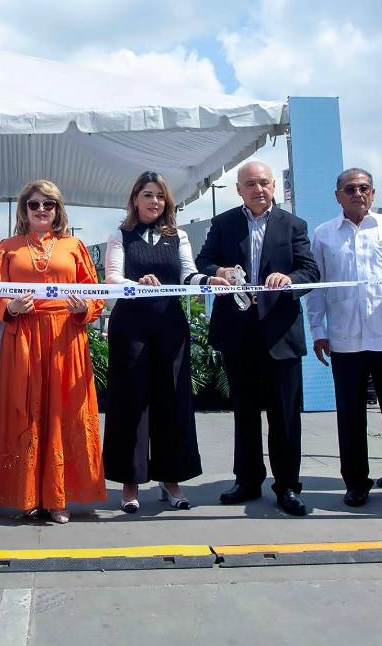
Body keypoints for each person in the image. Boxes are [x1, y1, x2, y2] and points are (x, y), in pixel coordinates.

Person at [195, 160, 320, 516]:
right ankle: (247, 481)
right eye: (250, 184)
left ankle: (288, 486)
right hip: (238, 334)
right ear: (239, 190)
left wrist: (289, 278)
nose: (258, 189)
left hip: (280, 335)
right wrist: (216, 272)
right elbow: (203, 263)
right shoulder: (224, 224)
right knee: (245, 414)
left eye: (264, 182)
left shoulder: (293, 225)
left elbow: (310, 270)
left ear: (274, 186)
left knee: (284, 416)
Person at [102, 171, 225, 513]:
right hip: (131, 327)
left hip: (170, 325)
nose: (154, 201)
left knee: (173, 399)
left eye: (159, 196)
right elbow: (112, 279)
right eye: (147, 195)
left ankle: (171, 479)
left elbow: (188, 274)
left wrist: (209, 279)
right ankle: (129, 482)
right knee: (130, 402)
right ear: (135, 199)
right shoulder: (120, 235)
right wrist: (137, 283)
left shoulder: (178, 236)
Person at [0, 180, 106, 524]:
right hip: (22, 335)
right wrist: (10, 308)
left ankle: (58, 497)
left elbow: (95, 292)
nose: (41, 210)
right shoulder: (7, 248)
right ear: (23, 209)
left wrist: (85, 308)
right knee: (25, 410)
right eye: (34, 204)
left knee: (63, 411)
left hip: (66, 335)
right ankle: (26, 497)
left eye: (48, 205)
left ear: (58, 210)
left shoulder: (74, 246)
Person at [307, 168, 382, 510]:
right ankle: (356, 483)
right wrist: (319, 331)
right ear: (338, 195)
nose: (358, 194)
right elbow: (317, 287)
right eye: (350, 189)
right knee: (351, 417)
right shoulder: (325, 234)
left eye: (365, 188)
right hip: (346, 339)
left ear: (373, 194)